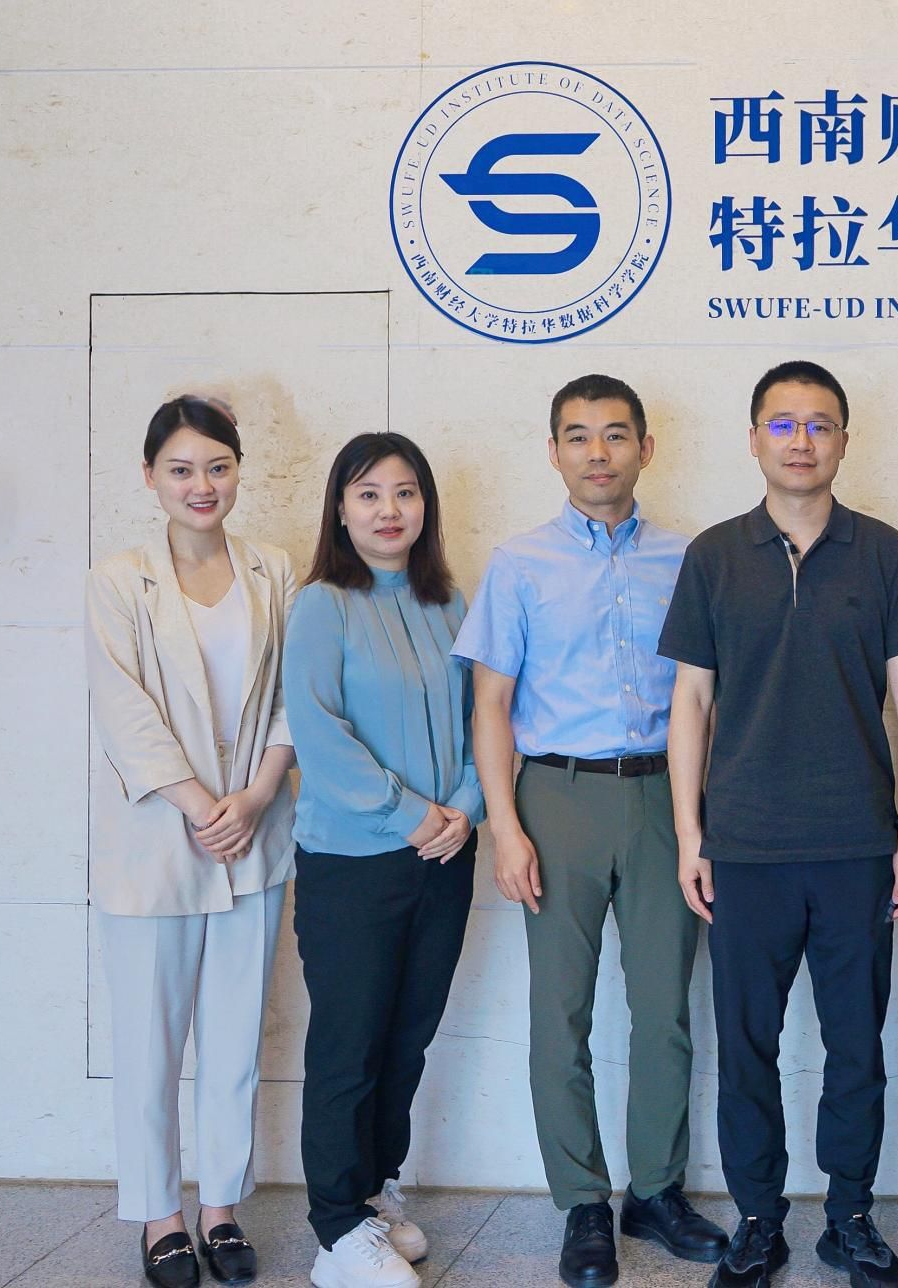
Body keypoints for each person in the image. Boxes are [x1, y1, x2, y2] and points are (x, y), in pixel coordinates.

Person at [661, 360, 898, 1288]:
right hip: (743, 848)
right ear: (753, 440)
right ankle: (758, 1219)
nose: (801, 440)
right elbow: (690, 703)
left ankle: (849, 1216)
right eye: (782, 424)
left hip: (858, 846)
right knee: (746, 1049)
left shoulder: (883, 552)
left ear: (845, 441)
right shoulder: (714, 555)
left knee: (856, 1048)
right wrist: (690, 835)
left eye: (820, 424)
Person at [452, 376, 724, 1288]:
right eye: (578, 436)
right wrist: (505, 827)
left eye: (614, 435)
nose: (597, 453)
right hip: (556, 799)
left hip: (663, 799)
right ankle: (581, 1203)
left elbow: (707, 697)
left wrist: (701, 819)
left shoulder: (690, 559)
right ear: (554, 451)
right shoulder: (519, 563)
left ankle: (656, 1191)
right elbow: (491, 704)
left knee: (665, 1011)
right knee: (558, 1013)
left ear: (647, 447)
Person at [85, 395, 297, 1288]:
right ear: (150, 477)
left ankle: (220, 1208)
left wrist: (255, 796)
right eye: (181, 469)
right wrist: (202, 803)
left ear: (238, 470)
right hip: (156, 840)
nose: (201, 485)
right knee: (150, 1040)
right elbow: (122, 709)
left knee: (236, 1037)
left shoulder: (274, 570)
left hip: (254, 833)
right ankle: (160, 1216)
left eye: (217, 466)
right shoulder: (117, 579)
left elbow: (293, 694)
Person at [283, 433, 486, 1288]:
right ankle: (336, 1230)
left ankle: (373, 1191)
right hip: (353, 863)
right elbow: (319, 734)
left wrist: (466, 809)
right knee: (350, 1043)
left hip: (444, 857)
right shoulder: (322, 605)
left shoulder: (449, 603)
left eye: (405, 492)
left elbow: (485, 719)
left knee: (407, 1038)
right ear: (340, 508)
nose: (389, 510)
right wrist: (414, 815)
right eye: (368, 494)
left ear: (425, 507)